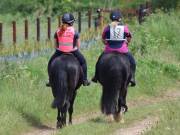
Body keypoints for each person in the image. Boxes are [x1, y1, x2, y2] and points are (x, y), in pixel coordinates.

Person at [92, 10, 136, 87]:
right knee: (132, 62)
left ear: (111, 18)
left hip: (109, 50)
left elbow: (103, 39)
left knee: (99, 61)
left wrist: (106, 43)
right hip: (122, 50)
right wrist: (127, 43)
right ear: (120, 18)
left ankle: (96, 76)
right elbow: (129, 37)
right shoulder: (125, 28)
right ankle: (132, 77)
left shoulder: (107, 28)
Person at [46, 13, 91, 87]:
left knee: (50, 63)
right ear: (72, 22)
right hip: (73, 51)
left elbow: (55, 45)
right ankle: (85, 80)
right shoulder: (75, 31)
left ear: (62, 21)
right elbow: (78, 45)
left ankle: (50, 80)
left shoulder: (57, 31)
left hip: (59, 52)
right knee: (83, 62)